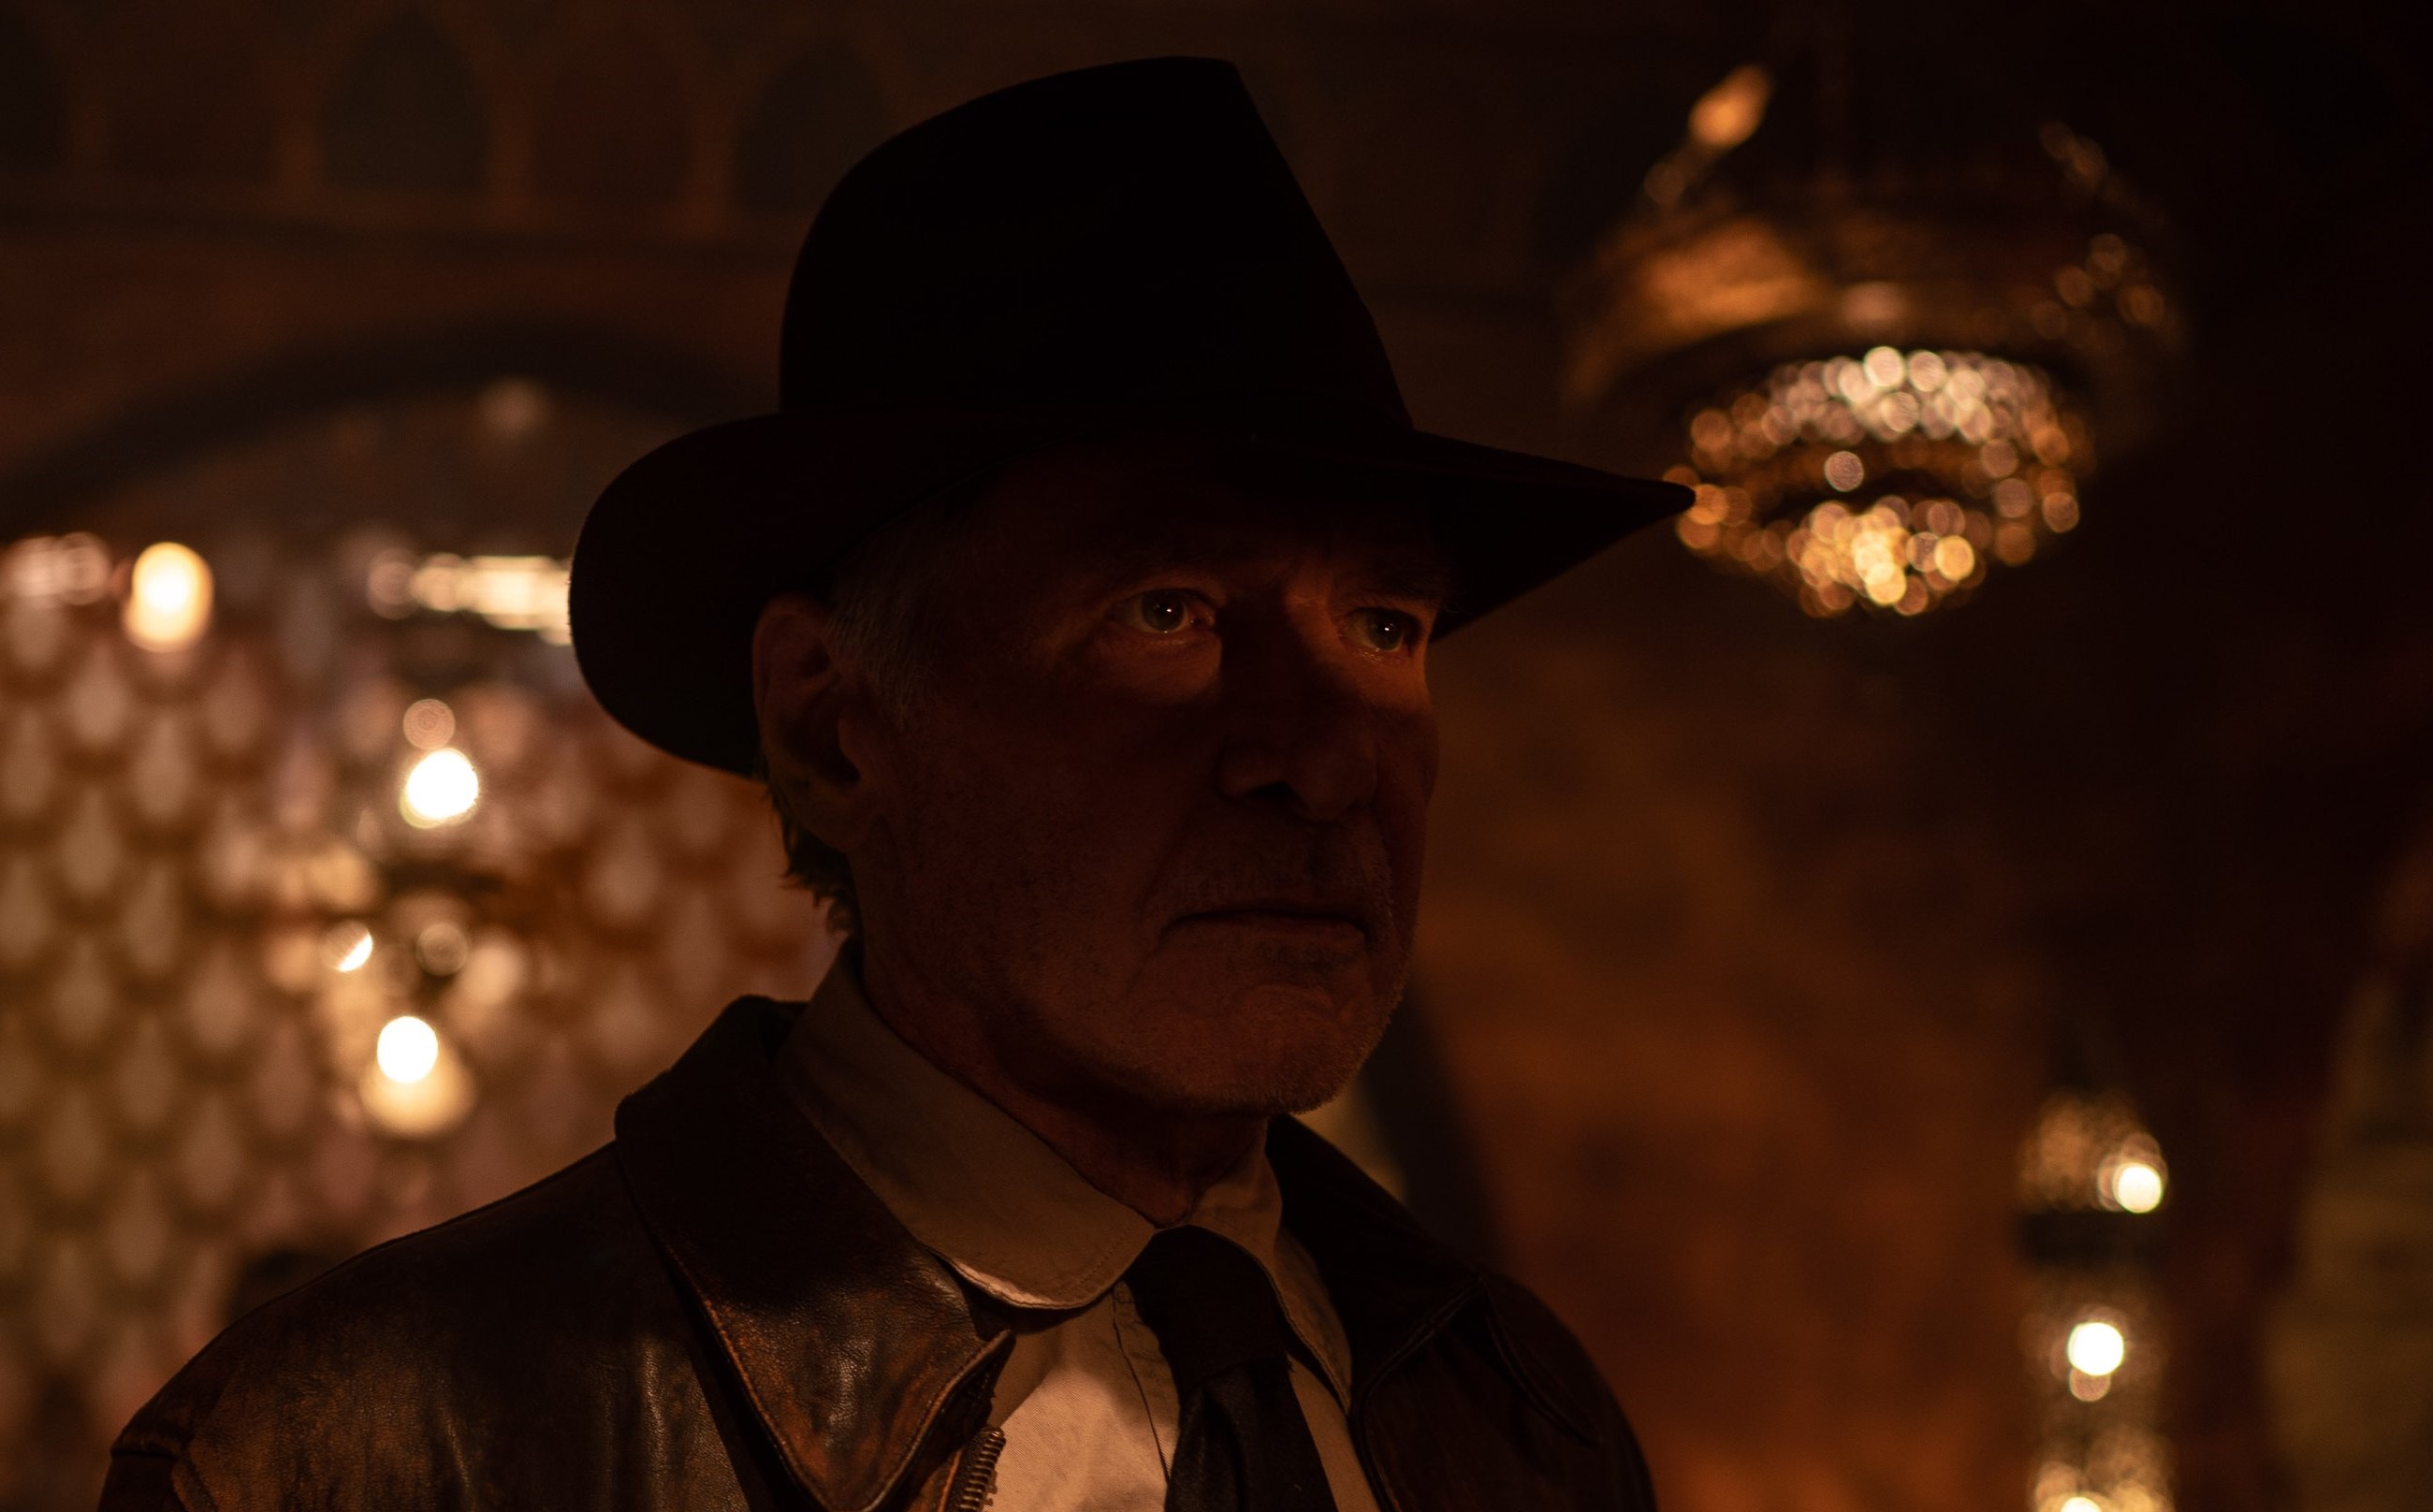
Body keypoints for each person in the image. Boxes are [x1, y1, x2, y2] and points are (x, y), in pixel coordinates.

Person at [102, 57, 1683, 1511]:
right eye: (1168, 613)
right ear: (833, 725)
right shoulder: (368, 1455)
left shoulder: (1518, 1418)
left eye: (1387, 625)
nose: (1328, 758)